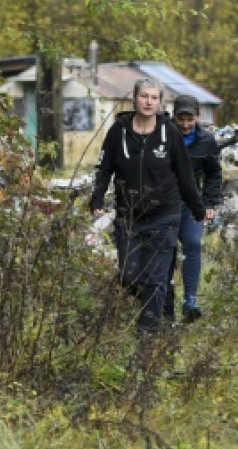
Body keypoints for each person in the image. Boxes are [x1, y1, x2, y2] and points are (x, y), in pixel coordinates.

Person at [89, 78, 208, 333]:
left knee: (155, 278)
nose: (148, 102)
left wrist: (197, 208)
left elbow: (185, 174)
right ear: (135, 99)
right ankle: (162, 304)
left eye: (154, 98)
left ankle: (149, 335)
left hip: (164, 216)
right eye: (144, 96)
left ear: (160, 102)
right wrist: (97, 198)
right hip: (128, 215)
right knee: (129, 275)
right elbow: (104, 168)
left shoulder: (170, 133)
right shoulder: (118, 131)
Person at [167, 94, 223, 322]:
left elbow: (213, 174)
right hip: (165, 204)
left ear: (197, 117)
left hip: (191, 205)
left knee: (192, 244)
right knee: (167, 250)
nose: (185, 125)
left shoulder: (206, 141)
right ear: (174, 117)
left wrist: (209, 203)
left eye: (190, 119)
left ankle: (190, 300)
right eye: (181, 119)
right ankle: (165, 300)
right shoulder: (164, 135)